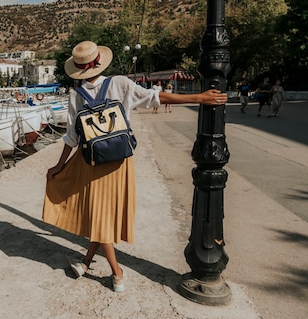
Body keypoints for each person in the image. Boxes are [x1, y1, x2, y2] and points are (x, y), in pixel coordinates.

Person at [43, 41, 227, 293]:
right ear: (99, 62)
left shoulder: (76, 96)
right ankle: (92, 264)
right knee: (103, 216)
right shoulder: (120, 83)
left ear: (77, 69)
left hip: (93, 163)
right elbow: (155, 97)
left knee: (99, 215)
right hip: (120, 161)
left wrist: (58, 166)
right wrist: (200, 98)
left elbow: (72, 139)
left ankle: (115, 274)